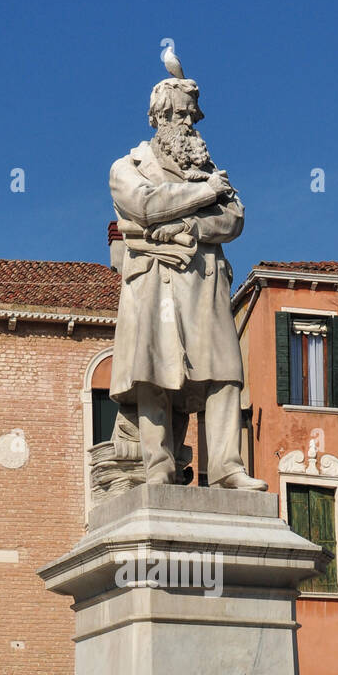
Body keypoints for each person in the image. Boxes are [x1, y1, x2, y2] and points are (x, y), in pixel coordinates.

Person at [108, 70, 267, 491]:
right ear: (159, 117)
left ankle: (227, 468)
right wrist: (204, 193)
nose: (187, 125)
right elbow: (145, 205)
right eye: (179, 115)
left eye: (192, 117)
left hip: (206, 282)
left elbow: (233, 219)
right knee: (156, 372)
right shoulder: (127, 167)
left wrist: (191, 229)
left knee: (223, 371)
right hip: (155, 283)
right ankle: (158, 466)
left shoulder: (209, 168)